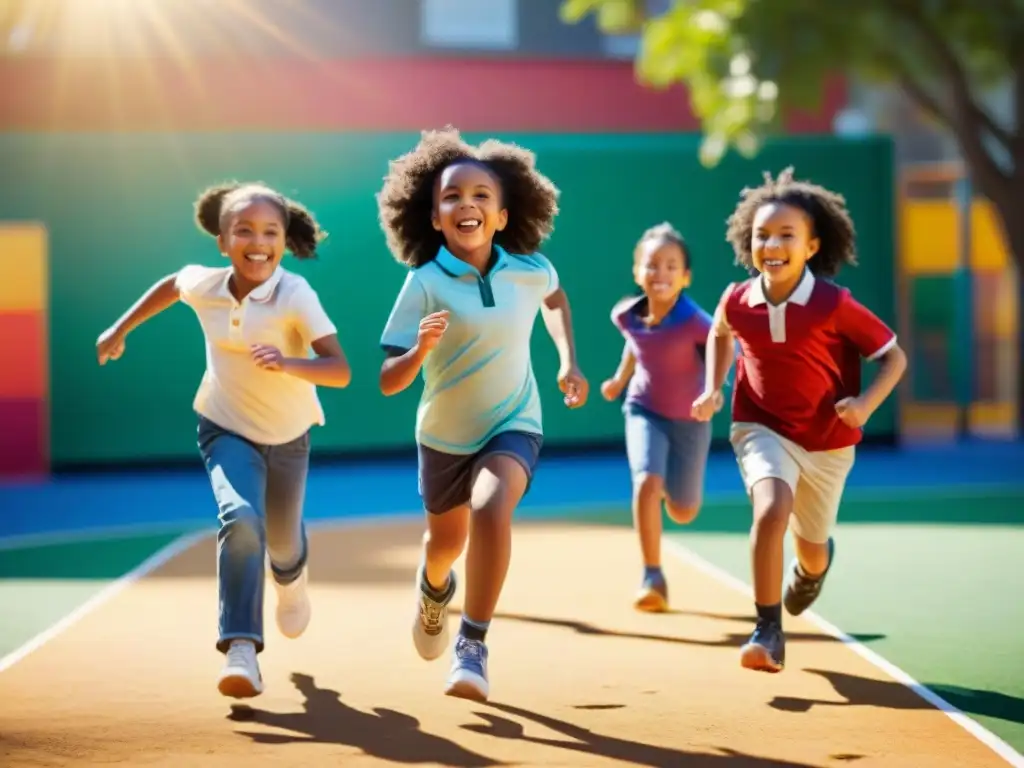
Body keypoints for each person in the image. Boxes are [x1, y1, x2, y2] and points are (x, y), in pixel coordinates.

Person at [95, 182, 351, 698]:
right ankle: (240, 647)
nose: (257, 241)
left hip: (289, 433)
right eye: (244, 231)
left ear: (283, 241)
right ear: (222, 241)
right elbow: (172, 284)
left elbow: (340, 370)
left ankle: (291, 578)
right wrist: (119, 328)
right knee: (240, 520)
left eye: (270, 232)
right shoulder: (206, 283)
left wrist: (289, 363)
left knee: (281, 542)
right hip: (224, 425)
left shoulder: (295, 294)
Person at [376, 127, 589, 702]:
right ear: (435, 218)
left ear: (501, 216)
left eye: (480, 196)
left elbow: (556, 298)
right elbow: (388, 381)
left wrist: (567, 360)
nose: (465, 204)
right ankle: (433, 588)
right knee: (445, 545)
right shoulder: (423, 283)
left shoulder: (530, 268)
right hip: (444, 435)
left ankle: (472, 644)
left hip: (514, 421)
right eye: (451, 197)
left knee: (493, 510)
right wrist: (419, 350)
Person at [692, 168, 907, 673]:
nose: (772, 243)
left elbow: (893, 358)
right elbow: (721, 334)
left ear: (811, 247)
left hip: (828, 441)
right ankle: (767, 630)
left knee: (811, 548)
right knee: (770, 510)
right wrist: (711, 386)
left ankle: (813, 567)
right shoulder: (736, 299)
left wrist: (865, 407)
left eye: (787, 235)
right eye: (762, 234)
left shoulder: (835, 305)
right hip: (759, 425)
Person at [600, 222, 720, 613]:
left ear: (685, 276)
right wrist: (619, 380)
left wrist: (713, 390)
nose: (661, 273)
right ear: (638, 272)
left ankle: (669, 484)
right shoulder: (626, 315)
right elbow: (635, 347)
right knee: (646, 482)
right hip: (644, 409)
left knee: (684, 511)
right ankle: (653, 574)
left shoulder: (697, 321)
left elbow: (724, 345)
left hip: (690, 420)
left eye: (671, 266)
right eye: (652, 265)